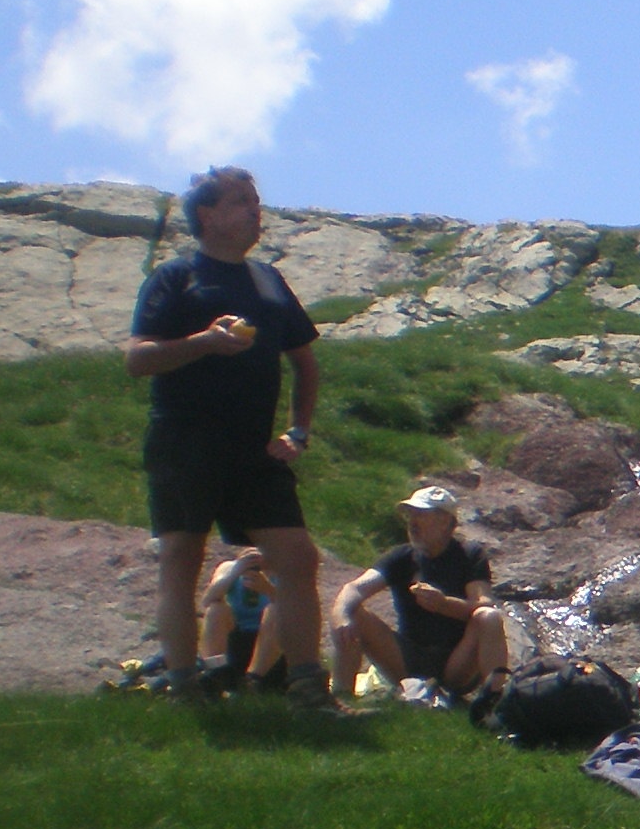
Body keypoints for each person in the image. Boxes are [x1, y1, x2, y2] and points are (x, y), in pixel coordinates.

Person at [123, 166, 338, 708]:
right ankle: (184, 687)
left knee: (297, 557)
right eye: (241, 201)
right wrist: (203, 342)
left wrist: (298, 431)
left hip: (254, 448)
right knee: (181, 557)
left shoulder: (268, 280)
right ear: (207, 215)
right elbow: (137, 359)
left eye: (255, 200)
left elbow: (305, 363)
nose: (255, 210)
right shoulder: (176, 277)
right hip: (184, 440)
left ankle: (308, 689)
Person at [330, 486, 509, 695]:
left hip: (458, 662)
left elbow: (484, 605)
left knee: (488, 617)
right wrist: (342, 615)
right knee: (350, 610)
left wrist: (444, 604)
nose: (412, 522)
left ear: (445, 522)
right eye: (410, 515)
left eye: (421, 515)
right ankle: (341, 697)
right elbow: (355, 587)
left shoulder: (469, 555)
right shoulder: (402, 557)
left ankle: (495, 700)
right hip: (407, 658)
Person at [199, 545, 285, 692]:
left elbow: (295, 611)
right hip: (235, 639)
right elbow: (207, 601)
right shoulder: (229, 568)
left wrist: (268, 589)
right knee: (216, 609)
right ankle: (217, 672)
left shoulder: (286, 572)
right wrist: (235, 572)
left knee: (277, 610)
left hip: (272, 648)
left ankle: (254, 680)